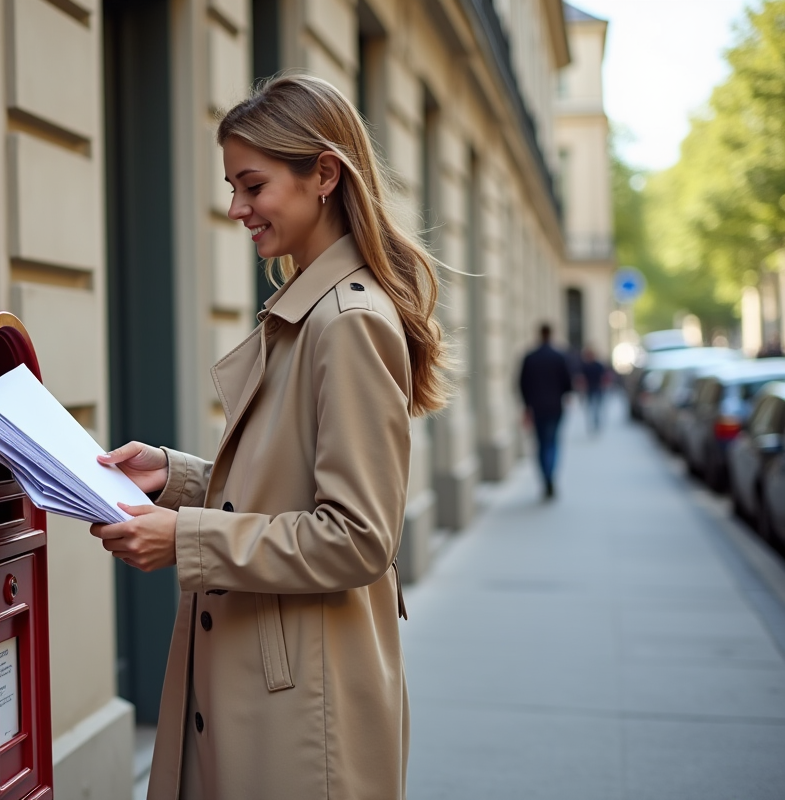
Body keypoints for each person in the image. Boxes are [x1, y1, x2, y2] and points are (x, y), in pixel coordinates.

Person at [88, 75, 448, 800]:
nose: (236, 208)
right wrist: (176, 475)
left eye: (252, 185)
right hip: (280, 677)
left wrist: (184, 538)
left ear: (323, 174)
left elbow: (357, 535)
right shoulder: (308, 311)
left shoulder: (344, 322)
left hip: (304, 703)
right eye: (232, 186)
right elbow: (287, 477)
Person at [519, 323, 574, 498]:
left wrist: (527, 406)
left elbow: (521, 384)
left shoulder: (530, 357)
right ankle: (550, 476)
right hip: (555, 407)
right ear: (551, 334)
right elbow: (568, 384)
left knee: (541, 444)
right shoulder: (559, 356)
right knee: (553, 442)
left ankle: (545, 478)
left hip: (536, 408)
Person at [577, 344, 608, 434]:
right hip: (590, 389)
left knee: (597, 407)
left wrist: (604, 386)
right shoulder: (585, 366)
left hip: (598, 388)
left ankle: (596, 423)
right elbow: (582, 379)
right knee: (591, 407)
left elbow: (604, 377)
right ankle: (593, 424)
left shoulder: (598, 365)